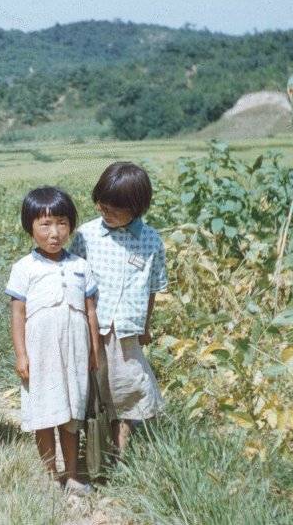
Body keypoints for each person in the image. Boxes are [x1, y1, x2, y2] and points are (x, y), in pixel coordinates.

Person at [5, 187, 100, 495]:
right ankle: (49, 474)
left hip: (74, 350)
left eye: (61, 223)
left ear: (71, 225)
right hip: (40, 350)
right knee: (45, 412)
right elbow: (18, 315)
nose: (54, 232)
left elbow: (90, 313)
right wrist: (21, 355)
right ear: (30, 227)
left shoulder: (80, 267)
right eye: (45, 225)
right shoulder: (24, 268)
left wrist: (94, 352)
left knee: (72, 412)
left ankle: (72, 474)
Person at [70, 162, 167, 451]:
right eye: (101, 207)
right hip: (91, 326)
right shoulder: (86, 236)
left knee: (127, 385)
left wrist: (146, 326)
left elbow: (152, 287)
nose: (105, 213)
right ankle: (93, 449)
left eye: (113, 210)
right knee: (94, 386)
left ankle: (121, 449)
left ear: (136, 208)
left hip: (125, 329)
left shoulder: (151, 241)